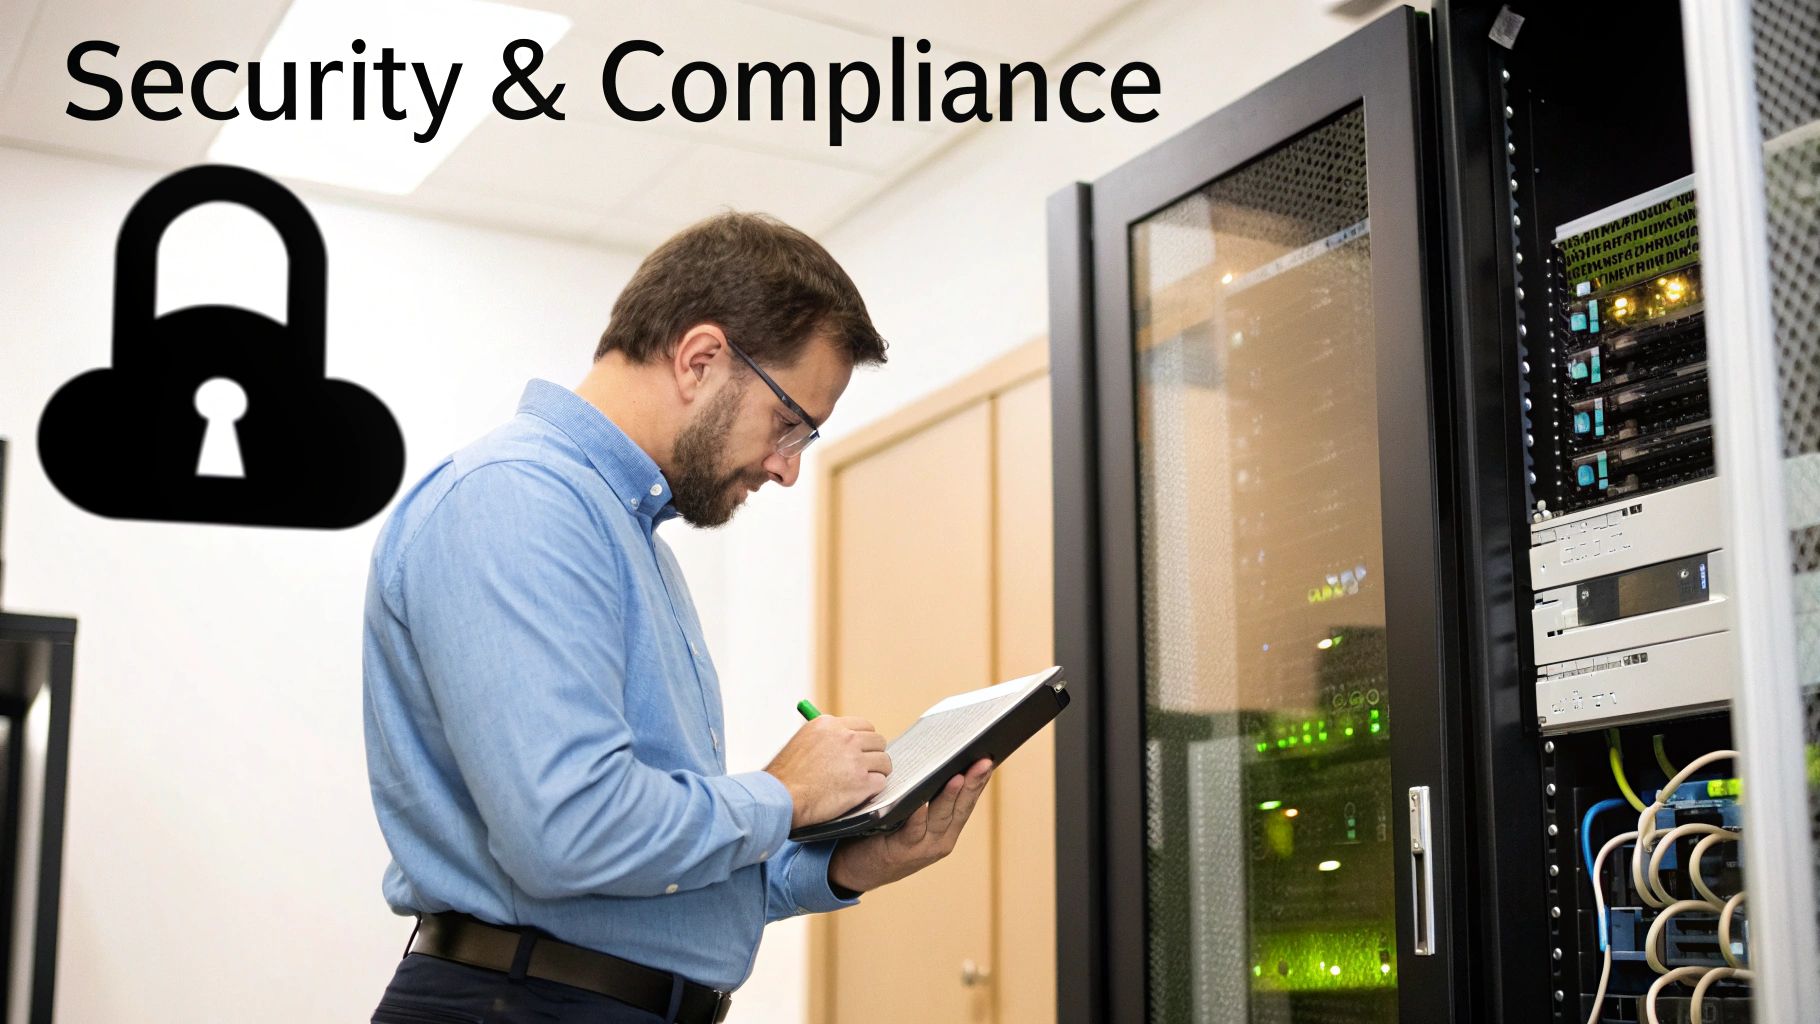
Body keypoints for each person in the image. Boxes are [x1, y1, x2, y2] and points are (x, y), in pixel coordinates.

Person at [362, 212, 994, 1023]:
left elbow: (653, 877)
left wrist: (851, 863)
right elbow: (569, 832)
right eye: (789, 424)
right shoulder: (516, 500)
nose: (787, 467)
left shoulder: (635, 543)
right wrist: (781, 793)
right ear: (700, 359)